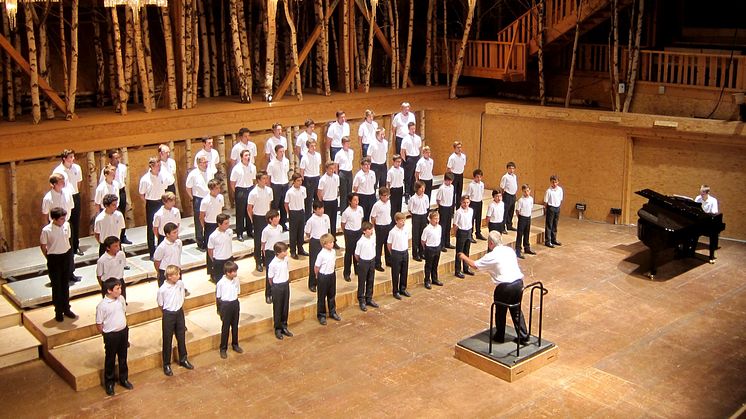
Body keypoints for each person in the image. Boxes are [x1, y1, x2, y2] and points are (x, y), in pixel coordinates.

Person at [458, 231, 531, 345]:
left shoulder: (492, 256)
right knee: (516, 310)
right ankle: (523, 335)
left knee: (500, 312)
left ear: (491, 243)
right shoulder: (509, 250)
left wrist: (463, 257)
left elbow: (474, 265)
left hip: (505, 287)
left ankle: (500, 336)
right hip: (518, 284)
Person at [40, 207, 77, 322]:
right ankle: (58, 311)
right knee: (57, 285)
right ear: (54, 219)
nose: (63, 220)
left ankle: (66, 308)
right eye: (61, 219)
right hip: (54, 258)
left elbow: (68, 239)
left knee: (65, 284)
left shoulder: (66, 225)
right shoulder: (47, 230)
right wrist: (49, 257)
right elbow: (43, 246)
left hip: (65, 256)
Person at [96, 278, 131, 396]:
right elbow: (99, 324)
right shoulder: (102, 306)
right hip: (111, 335)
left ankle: (123, 378)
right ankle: (109, 383)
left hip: (123, 332)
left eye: (120, 287)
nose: (120, 290)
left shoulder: (121, 299)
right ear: (109, 291)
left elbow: (123, 312)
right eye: (117, 288)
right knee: (110, 359)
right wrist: (107, 334)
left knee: (123, 357)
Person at [157, 265, 194, 376]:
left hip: (179, 313)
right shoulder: (162, 290)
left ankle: (183, 359)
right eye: (176, 274)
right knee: (167, 340)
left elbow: (182, 295)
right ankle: (166, 364)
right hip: (169, 315)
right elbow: (160, 304)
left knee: (181, 337)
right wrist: (168, 313)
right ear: (169, 276)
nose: (179, 276)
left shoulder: (180, 284)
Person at [140, 157, 173, 258]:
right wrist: (148, 203)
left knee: (162, 226)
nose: (159, 168)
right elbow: (141, 194)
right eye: (157, 166)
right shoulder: (145, 179)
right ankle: (152, 252)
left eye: (160, 165)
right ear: (151, 166)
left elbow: (168, 185)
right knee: (151, 227)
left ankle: (162, 249)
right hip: (151, 203)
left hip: (161, 202)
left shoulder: (162, 175)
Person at [53, 149, 83, 256]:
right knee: (66, 222)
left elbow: (79, 183)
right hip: (64, 197)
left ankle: (76, 245)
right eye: (70, 157)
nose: (73, 159)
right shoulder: (58, 170)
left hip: (75, 196)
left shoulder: (77, 168)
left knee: (75, 222)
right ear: (64, 159)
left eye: (73, 156)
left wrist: (74, 193)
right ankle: (67, 246)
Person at [100, 149, 131, 244]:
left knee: (121, 213)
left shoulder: (123, 168)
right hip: (111, 193)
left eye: (118, 157)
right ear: (111, 159)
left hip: (121, 191)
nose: (118, 160)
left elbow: (123, 179)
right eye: (115, 158)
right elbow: (102, 182)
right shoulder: (105, 170)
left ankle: (122, 236)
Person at [216, 261, 244, 358]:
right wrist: (219, 310)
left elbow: (238, 291)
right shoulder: (221, 283)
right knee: (225, 327)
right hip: (226, 305)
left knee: (235, 325)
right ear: (228, 272)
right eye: (234, 271)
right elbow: (218, 297)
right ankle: (223, 348)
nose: (235, 273)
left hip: (235, 303)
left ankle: (235, 344)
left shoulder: (236, 280)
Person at [248, 172, 273, 272]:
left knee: (267, 240)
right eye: (263, 179)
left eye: (266, 178)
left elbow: (269, 203)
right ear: (258, 180)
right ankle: (258, 261)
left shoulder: (269, 190)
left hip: (267, 217)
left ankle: (265, 259)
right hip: (258, 217)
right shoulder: (253, 193)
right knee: (258, 241)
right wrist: (252, 220)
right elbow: (249, 208)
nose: (265, 181)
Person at [186, 156, 213, 250]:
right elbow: (188, 188)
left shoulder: (210, 171)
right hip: (199, 199)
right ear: (199, 163)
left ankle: (208, 239)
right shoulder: (193, 174)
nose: (206, 164)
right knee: (199, 221)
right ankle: (200, 241)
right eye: (204, 162)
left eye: (207, 162)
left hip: (209, 197)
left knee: (209, 218)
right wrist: (193, 198)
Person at [268, 242, 293, 340]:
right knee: (278, 308)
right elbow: (270, 278)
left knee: (285, 307)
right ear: (278, 253)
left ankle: (284, 326)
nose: (286, 253)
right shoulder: (273, 264)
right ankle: (277, 328)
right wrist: (275, 286)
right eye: (284, 251)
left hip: (285, 284)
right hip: (277, 286)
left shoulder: (286, 259)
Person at [229, 149, 256, 241]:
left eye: (249, 155)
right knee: (240, 213)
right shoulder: (236, 168)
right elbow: (232, 183)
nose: (248, 157)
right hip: (240, 190)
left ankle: (249, 231)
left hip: (250, 189)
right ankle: (239, 233)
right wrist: (237, 191)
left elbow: (254, 180)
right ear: (241, 157)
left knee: (249, 211)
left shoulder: (253, 167)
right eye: (246, 155)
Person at [315, 233, 341, 325]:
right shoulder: (321, 254)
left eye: (332, 242)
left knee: (332, 295)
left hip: (331, 275)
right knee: (321, 297)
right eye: (330, 243)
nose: (332, 244)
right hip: (323, 276)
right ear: (324, 244)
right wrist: (318, 276)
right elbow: (316, 267)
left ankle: (332, 312)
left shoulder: (333, 252)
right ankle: (321, 315)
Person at [305, 201, 331, 293]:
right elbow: (307, 233)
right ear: (315, 210)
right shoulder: (311, 220)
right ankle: (312, 283)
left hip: (325, 241)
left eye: (322, 208)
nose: (322, 210)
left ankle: (321, 281)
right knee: (314, 263)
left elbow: (328, 229)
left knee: (324, 261)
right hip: (315, 242)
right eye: (319, 209)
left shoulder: (326, 217)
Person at [261, 210, 284, 305]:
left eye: (278, 217)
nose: (278, 219)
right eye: (276, 218)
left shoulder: (280, 227)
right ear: (270, 219)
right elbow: (263, 243)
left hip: (279, 252)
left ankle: (276, 292)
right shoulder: (266, 230)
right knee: (270, 274)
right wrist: (264, 255)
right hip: (270, 252)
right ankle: (268, 294)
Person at [341, 192, 364, 283]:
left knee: (357, 251)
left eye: (357, 200)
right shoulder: (346, 212)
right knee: (349, 253)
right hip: (349, 233)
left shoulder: (360, 209)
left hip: (358, 231)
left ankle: (357, 269)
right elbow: (343, 224)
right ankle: (346, 273)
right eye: (354, 200)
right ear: (350, 201)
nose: (356, 202)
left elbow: (361, 219)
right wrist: (347, 232)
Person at [199, 179, 225, 262]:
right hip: (210, 225)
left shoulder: (221, 197)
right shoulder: (205, 201)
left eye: (219, 188)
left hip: (219, 224)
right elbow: (201, 216)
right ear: (211, 189)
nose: (218, 190)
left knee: (221, 245)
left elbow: (221, 210)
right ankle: (212, 267)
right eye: (216, 188)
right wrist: (205, 226)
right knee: (210, 247)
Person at [354, 221, 378, 311]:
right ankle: (361, 300)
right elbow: (357, 255)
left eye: (372, 229)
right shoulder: (360, 242)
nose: (371, 231)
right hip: (363, 262)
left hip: (372, 261)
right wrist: (362, 261)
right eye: (369, 229)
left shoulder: (372, 238)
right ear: (364, 231)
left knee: (370, 280)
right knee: (362, 282)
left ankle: (369, 298)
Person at [387, 212, 410, 300]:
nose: (403, 222)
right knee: (396, 273)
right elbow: (389, 244)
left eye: (404, 220)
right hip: (396, 253)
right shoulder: (392, 232)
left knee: (404, 272)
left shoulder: (405, 229)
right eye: (401, 221)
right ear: (396, 221)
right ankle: (395, 291)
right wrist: (393, 253)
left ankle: (403, 289)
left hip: (405, 252)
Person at [267, 144, 290, 230]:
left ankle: (283, 223)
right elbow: (269, 177)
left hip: (285, 184)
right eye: (280, 151)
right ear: (276, 152)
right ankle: (274, 223)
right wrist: (269, 187)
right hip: (275, 185)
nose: (282, 153)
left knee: (284, 205)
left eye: (283, 151)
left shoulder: (286, 161)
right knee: (275, 206)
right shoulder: (271, 164)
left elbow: (286, 172)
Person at [317, 162, 340, 249]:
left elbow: (337, 189)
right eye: (330, 168)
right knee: (326, 223)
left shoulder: (336, 177)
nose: (332, 170)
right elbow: (319, 192)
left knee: (333, 222)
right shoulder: (323, 179)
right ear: (326, 169)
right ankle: (325, 242)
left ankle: (333, 241)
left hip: (334, 201)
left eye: (333, 168)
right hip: (326, 202)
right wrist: (321, 203)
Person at [285, 173, 307, 259]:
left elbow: (304, 199)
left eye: (301, 180)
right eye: (298, 181)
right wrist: (289, 213)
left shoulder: (303, 189)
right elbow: (286, 204)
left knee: (301, 232)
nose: (300, 182)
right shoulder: (290, 192)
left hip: (301, 211)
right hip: (293, 212)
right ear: (293, 182)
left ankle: (300, 249)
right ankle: (293, 251)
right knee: (293, 233)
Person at [370, 186, 392, 272]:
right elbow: (373, 217)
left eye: (387, 195)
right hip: (380, 226)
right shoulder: (377, 205)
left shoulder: (389, 202)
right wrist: (374, 228)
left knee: (388, 244)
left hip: (388, 225)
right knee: (379, 246)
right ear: (380, 196)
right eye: (384, 195)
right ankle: (377, 263)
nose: (386, 197)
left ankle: (389, 261)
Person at [153, 223, 182, 287]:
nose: (176, 234)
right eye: (174, 232)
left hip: (177, 271)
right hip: (166, 273)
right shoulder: (162, 247)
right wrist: (160, 273)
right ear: (167, 234)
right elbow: (157, 261)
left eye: (177, 231)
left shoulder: (179, 242)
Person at [208, 214, 233, 283]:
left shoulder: (230, 232)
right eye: (226, 223)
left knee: (231, 280)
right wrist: (214, 260)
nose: (228, 225)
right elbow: (210, 250)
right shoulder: (213, 236)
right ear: (219, 224)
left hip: (229, 259)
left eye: (228, 223)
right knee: (220, 282)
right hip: (219, 261)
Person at [299, 139, 322, 220]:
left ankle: (318, 215)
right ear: (308, 147)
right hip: (308, 179)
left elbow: (318, 166)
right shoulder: (304, 157)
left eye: (315, 145)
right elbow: (302, 171)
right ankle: (308, 218)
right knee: (308, 200)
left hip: (316, 177)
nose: (314, 147)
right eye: (312, 146)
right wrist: (302, 181)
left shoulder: (318, 155)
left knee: (317, 198)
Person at [453, 195, 475, 278]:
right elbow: (455, 224)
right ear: (461, 202)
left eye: (467, 202)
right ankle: (457, 270)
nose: (466, 204)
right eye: (464, 202)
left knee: (466, 251)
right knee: (459, 252)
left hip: (468, 231)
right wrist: (456, 234)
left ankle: (466, 268)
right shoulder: (458, 212)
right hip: (461, 232)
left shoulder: (471, 210)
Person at [422, 210, 444, 289]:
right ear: (430, 219)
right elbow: (423, 241)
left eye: (438, 218)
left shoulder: (439, 227)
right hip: (429, 248)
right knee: (428, 265)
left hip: (437, 247)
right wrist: (426, 248)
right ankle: (427, 280)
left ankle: (435, 279)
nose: (437, 220)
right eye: (435, 219)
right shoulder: (427, 229)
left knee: (435, 265)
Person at [400, 122, 422, 199]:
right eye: (411, 129)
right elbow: (402, 151)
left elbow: (419, 148)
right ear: (408, 129)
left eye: (414, 128)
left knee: (415, 177)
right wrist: (405, 160)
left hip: (417, 157)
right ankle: (407, 194)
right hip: (409, 158)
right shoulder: (405, 139)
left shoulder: (418, 138)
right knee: (408, 177)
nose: (413, 130)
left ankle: (413, 193)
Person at [409, 181, 430, 262]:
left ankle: (422, 252)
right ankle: (415, 254)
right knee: (416, 235)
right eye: (421, 188)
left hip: (424, 216)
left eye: (423, 188)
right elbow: (410, 209)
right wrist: (415, 215)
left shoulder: (426, 197)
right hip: (416, 216)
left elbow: (427, 207)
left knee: (422, 234)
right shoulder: (413, 198)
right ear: (417, 189)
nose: (423, 189)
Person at [334, 136, 354, 213]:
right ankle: (343, 210)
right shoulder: (339, 153)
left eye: (349, 143)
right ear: (342, 144)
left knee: (349, 192)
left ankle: (349, 208)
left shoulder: (351, 152)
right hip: (342, 173)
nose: (348, 144)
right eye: (346, 143)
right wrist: (336, 175)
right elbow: (336, 165)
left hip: (349, 172)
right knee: (343, 192)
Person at [515, 184, 536, 259]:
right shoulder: (520, 200)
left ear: (530, 191)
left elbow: (531, 207)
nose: (526, 193)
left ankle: (527, 247)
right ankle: (518, 250)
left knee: (527, 233)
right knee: (520, 234)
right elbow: (517, 210)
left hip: (528, 217)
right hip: (522, 218)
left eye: (527, 191)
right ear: (522, 192)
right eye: (525, 191)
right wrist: (520, 218)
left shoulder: (531, 199)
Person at [436, 173, 456, 251]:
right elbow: (438, 199)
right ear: (445, 180)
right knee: (443, 226)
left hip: (449, 207)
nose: (449, 182)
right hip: (443, 207)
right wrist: (440, 207)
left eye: (451, 181)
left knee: (448, 226)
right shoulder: (442, 188)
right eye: (448, 181)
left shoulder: (452, 187)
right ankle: (442, 244)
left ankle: (447, 242)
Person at [446, 141, 466, 213]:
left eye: (460, 147)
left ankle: (458, 209)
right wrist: (449, 178)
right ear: (454, 148)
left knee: (459, 193)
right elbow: (448, 169)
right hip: (454, 175)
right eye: (458, 148)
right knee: (452, 193)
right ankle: (451, 211)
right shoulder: (452, 157)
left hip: (460, 175)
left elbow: (463, 165)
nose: (459, 149)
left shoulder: (463, 156)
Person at [544, 175, 563, 248]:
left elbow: (560, 199)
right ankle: (547, 241)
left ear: (558, 182)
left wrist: (558, 206)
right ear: (550, 182)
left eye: (556, 182)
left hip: (557, 208)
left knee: (555, 224)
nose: (554, 184)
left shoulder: (560, 190)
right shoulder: (548, 191)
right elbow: (545, 201)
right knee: (549, 225)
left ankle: (553, 239)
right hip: (551, 208)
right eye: (553, 182)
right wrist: (546, 209)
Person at [468, 169, 486, 242]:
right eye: (477, 177)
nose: (479, 179)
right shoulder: (471, 185)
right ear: (474, 177)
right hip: (473, 203)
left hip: (479, 202)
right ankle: (470, 235)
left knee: (478, 219)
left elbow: (482, 193)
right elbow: (468, 195)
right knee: (472, 219)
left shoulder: (482, 184)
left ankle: (478, 233)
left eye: (480, 177)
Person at [500, 162, 518, 232]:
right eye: (510, 168)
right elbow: (502, 187)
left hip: (513, 195)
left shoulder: (514, 176)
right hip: (507, 195)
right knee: (505, 212)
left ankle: (509, 225)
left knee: (511, 211)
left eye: (513, 168)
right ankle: (502, 227)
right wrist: (502, 196)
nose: (511, 170)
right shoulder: (505, 177)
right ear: (507, 169)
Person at [387, 154, 405, 218]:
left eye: (400, 162)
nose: (398, 163)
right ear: (393, 162)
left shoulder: (402, 170)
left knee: (399, 206)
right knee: (394, 207)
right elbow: (388, 183)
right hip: (393, 190)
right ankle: (393, 222)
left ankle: (399, 219)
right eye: (397, 161)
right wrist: (388, 192)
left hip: (400, 188)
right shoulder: (390, 171)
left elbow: (402, 180)